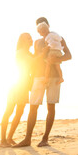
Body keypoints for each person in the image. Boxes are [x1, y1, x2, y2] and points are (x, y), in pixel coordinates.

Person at [14, 17, 72, 147]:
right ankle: (27, 139)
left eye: (43, 25)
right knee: (33, 106)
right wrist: (30, 76)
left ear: (48, 25)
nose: (41, 29)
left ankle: (45, 138)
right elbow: (35, 59)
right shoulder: (37, 42)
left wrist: (56, 60)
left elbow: (69, 55)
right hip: (38, 76)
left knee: (50, 107)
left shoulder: (59, 38)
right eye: (38, 27)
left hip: (54, 77)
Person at [0, 33, 33, 148]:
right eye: (28, 38)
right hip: (16, 85)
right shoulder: (20, 52)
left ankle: (9, 137)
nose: (31, 39)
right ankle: (3, 140)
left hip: (24, 86)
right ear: (23, 41)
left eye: (31, 37)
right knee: (9, 111)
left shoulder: (30, 53)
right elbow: (29, 64)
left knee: (19, 112)